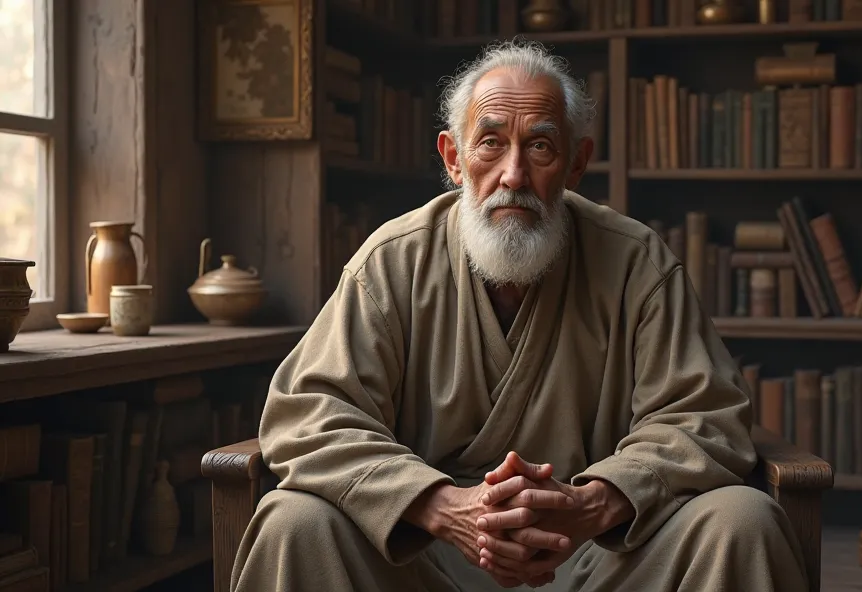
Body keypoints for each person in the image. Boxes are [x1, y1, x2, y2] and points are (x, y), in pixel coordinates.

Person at [231, 40, 808, 592]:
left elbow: (706, 415)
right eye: (490, 144)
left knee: (743, 520)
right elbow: (307, 415)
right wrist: (437, 503)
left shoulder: (637, 262)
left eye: (539, 146)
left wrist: (595, 502)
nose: (513, 174)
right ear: (454, 159)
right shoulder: (392, 263)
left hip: (597, 554)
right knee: (293, 523)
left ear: (576, 164)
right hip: (424, 553)